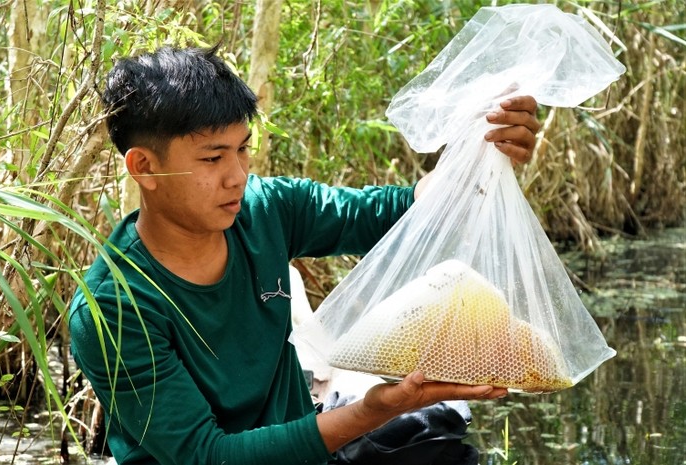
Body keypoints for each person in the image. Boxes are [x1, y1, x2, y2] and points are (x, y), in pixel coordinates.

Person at [68, 44, 541, 465]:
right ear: (144, 167)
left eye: (242, 150)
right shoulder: (111, 307)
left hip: (307, 445)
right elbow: (207, 454)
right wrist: (374, 409)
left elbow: (395, 212)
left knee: (438, 432)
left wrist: (481, 148)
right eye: (213, 159)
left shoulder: (265, 209)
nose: (236, 176)